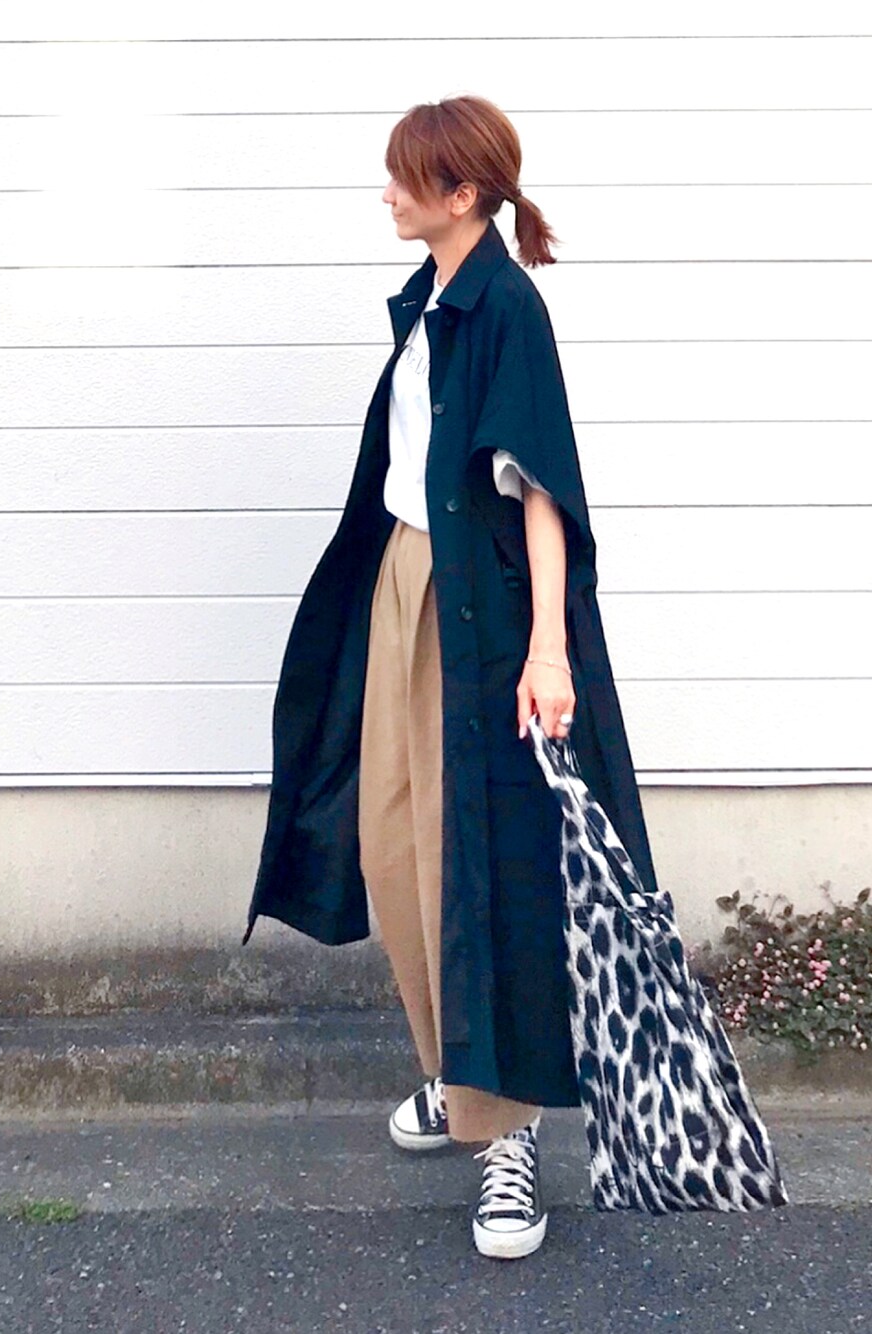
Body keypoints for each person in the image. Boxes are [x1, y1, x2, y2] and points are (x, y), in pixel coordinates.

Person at [244, 94, 660, 1261]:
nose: (386, 193)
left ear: (461, 193)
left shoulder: (504, 307)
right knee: (392, 847)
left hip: (472, 611)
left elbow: (541, 490)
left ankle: (503, 1132)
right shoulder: (432, 296)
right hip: (401, 582)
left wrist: (546, 647)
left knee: (472, 864)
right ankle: (452, 1065)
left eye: (404, 177)